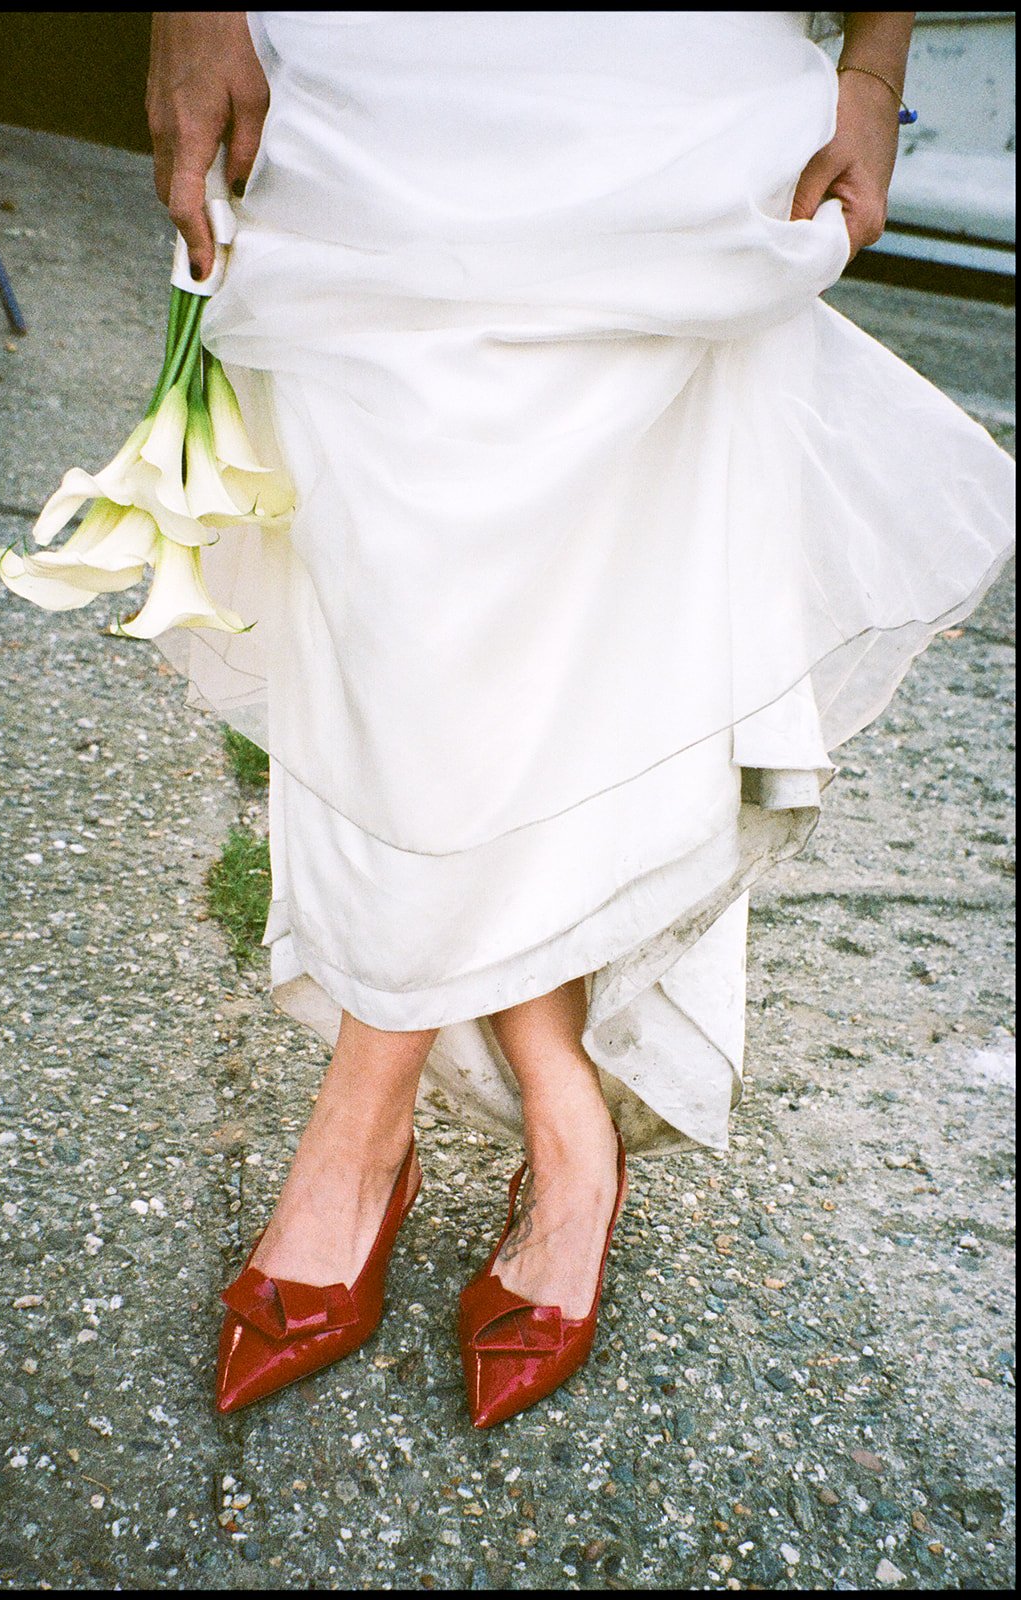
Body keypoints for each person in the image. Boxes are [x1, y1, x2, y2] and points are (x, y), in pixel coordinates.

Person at [145, 12, 1014, 1425]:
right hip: (382, 82)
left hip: (670, 89)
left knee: (587, 613)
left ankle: (361, 1135)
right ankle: (562, 1125)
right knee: (405, 602)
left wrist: (874, 65)